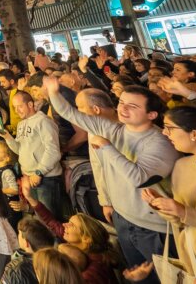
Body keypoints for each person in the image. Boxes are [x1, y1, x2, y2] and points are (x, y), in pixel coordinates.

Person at [46, 76, 179, 284]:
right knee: (137, 278)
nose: (123, 108)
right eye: (122, 102)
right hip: (123, 217)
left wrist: (107, 147)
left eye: (132, 106)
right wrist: (54, 93)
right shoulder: (113, 128)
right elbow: (70, 113)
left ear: (151, 114)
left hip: (153, 228)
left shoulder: (160, 142)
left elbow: (138, 177)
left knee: (164, 279)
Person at [140, 106, 196, 276]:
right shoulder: (181, 166)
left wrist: (183, 211)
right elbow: (181, 222)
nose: (164, 133)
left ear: (195, 134)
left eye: (170, 128)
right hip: (192, 260)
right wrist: (162, 206)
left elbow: (185, 213)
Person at [18, 181, 119, 283]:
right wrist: (30, 198)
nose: (65, 225)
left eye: (72, 225)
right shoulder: (77, 247)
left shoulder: (93, 271)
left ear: (86, 238)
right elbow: (51, 221)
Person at [0, 90, 64, 219]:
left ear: (30, 104)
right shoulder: (21, 124)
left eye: (20, 106)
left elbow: (53, 150)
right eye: (14, 107)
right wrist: (7, 137)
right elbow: (20, 150)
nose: (17, 111)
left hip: (46, 178)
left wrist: (39, 172)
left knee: (50, 220)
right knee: (39, 220)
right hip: (30, 178)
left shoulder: (44, 121)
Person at [0, 217, 56, 284]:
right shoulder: (58, 261)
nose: (18, 236)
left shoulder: (15, 270)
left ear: (26, 243)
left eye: (19, 234)